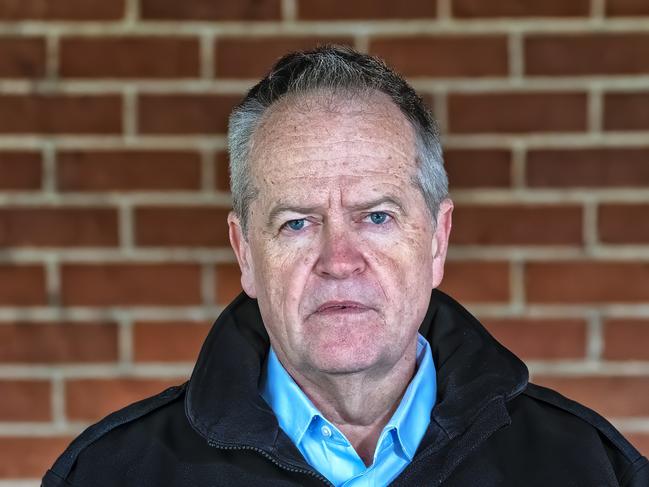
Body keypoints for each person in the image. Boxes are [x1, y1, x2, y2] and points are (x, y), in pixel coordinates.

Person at [43, 46, 648, 487]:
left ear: (437, 241)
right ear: (245, 253)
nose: (339, 261)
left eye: (378, 217)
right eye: (296, 223)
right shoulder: (110, 474)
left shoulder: (587, 467)